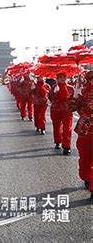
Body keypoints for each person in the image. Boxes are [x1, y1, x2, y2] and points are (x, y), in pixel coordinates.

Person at [73, 71, 93, 199]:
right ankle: (86, 176)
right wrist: (75, 96)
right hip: (85, 131)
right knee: (85, 158)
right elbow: (72, 107)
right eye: (91, 79)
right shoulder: (83, 93)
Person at [48, 72, 74, 155]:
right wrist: (55, 93)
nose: (63, 79)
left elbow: (73, 99)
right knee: (56, 127)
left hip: (67, 111)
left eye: (64, 77)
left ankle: (66, 146)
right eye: (60, 77)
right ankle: (58, 141)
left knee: (67, 128)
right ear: (57, 78)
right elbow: (50, 98)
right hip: (56, 110)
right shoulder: (54, 88)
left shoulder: (70, 88)